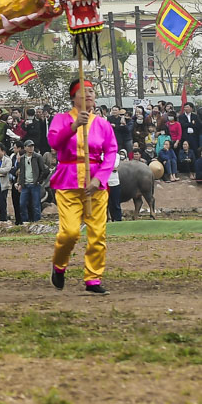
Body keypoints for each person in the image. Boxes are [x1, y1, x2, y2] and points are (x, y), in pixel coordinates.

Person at [49, 78, 119, 296]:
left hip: (96, 183)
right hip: (68, 181)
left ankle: (93, 278)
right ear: (73, 97)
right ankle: (59, 265)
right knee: (69, 232)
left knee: (97, 232)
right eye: (83, 91)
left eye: (92, 91)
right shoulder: (60, 119)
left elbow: (111, 151)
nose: (89, 94)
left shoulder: (102, 124)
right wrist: (74, 126)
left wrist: (99, 178)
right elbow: (54, 143)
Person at [14, 138, 46, 223]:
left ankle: (37, 222)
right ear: (25, 148)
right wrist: (20, 183)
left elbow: (43, 170)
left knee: (36, 205)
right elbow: (21, 172)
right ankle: (25, 221)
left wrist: (39, 181)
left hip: (35, 184)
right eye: (29, 146)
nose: (31, 148)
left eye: (32, 146)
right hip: (25, 184)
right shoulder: (22, 158)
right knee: (22, 204)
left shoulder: (38, 157)